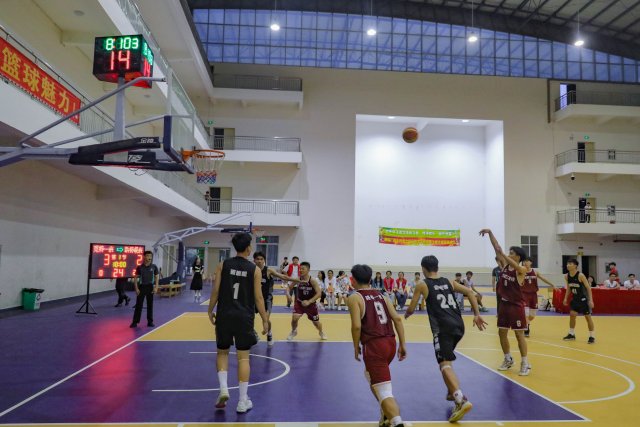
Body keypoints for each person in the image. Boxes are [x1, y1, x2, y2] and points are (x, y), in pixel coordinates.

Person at [405, 255, 487, 423]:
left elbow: (412, 308)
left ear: (423, 269)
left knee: (443, 364)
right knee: (447, 361)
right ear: (437, 267)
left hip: (443, 329)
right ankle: (452, 391)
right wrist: (476, 314)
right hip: (459, 326)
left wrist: (406, 314)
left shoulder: (422, 284)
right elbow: (470, 292)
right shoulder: (449, 282)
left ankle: (460, 399)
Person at [207, 233, 269, 413]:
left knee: (222, 353)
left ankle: (223, 389)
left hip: (224, 315)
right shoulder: (255, 270)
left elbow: (215, 291)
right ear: (248, 248)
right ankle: (242, 401)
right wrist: (265, 319)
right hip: (244, 317)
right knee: (243, 357)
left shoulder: (223, 265)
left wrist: (210, 310)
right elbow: (258, 298)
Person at [347, 264, 407, 427]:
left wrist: (355, 346)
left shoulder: (354, 297)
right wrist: (402, 344)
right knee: (370, 375)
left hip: (375, 346)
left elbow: (356, 326)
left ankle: (396, 421)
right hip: (390, 343)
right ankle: (386, 414)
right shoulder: (383, 295)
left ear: (353, 280)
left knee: (385, 391)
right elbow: (397, 319)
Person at [479, 229, 531, 376]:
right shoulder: (504, 265)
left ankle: (525, 363)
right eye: (508, 252)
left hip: (516, 306)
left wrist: (503, 254)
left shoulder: (522, 269)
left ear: (518, 256)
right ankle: (508, 359)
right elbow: (497, 248)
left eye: (511, 253)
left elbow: (515, 264)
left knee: (519, 335)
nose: (508, 254)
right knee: (502, 332)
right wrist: (490, 233)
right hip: (503, 305)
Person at [252, 251, 301, 346]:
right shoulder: (251, 270)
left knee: (266, 319)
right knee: (247, 318)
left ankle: (269, 333)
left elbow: (282, 276)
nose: (259, 261)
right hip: (254, 298)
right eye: (257, 259)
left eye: (261, 259)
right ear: (254, 260)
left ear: (264, 260)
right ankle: (254, 333)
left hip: (266, 299)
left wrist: (296, 280)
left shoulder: (268, 271)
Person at [286, 261, 327, 341]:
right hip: (300, 302)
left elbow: (319, 293)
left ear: (308, 270)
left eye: (303, 269)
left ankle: (321, 332)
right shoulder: (298, 279)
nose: (300, 270)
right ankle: (294, 331)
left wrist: (309, 301)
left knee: (316, 323)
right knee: (294, 318)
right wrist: (288, 294)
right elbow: (288, 287)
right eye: (300, 269)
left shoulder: (312, 280)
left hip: (311, 305)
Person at [562, 259, 596, 344]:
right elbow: (569, 288)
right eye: (567, 264)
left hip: (583, 299)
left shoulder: (580, 275)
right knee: (572, 315)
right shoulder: (566, 276)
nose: (568, 265)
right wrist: (565, 298)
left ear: (575, 266)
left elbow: (588, 288)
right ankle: (571, 334)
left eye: (570, 264)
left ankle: (592, 336)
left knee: (588, 317)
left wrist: (591, 300)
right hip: (575, 299)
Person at [522, 257, 556, 337]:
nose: (525, 263)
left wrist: (552, 284)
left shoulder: (535, 272)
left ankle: (526, 323)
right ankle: (526, 329)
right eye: (524, 261)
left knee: (532, 315)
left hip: (533, 295)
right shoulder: (521, 271)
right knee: (526, 313)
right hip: (524, 294)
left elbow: (543, 278)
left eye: (527, 261)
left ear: (531, 262)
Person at [130, 251, 159, 328]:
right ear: (144, 257)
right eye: (148, 256)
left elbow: (156, 277)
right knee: (139, 305)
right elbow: (135, 278)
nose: (149, 257)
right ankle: (135, 322)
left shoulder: (154, 267)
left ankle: (150, 321)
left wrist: (156, 287)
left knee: (150, 305)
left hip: (150, 287)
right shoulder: (140, 267)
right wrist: (136, 288)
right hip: (142, 287)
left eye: (150, 256)